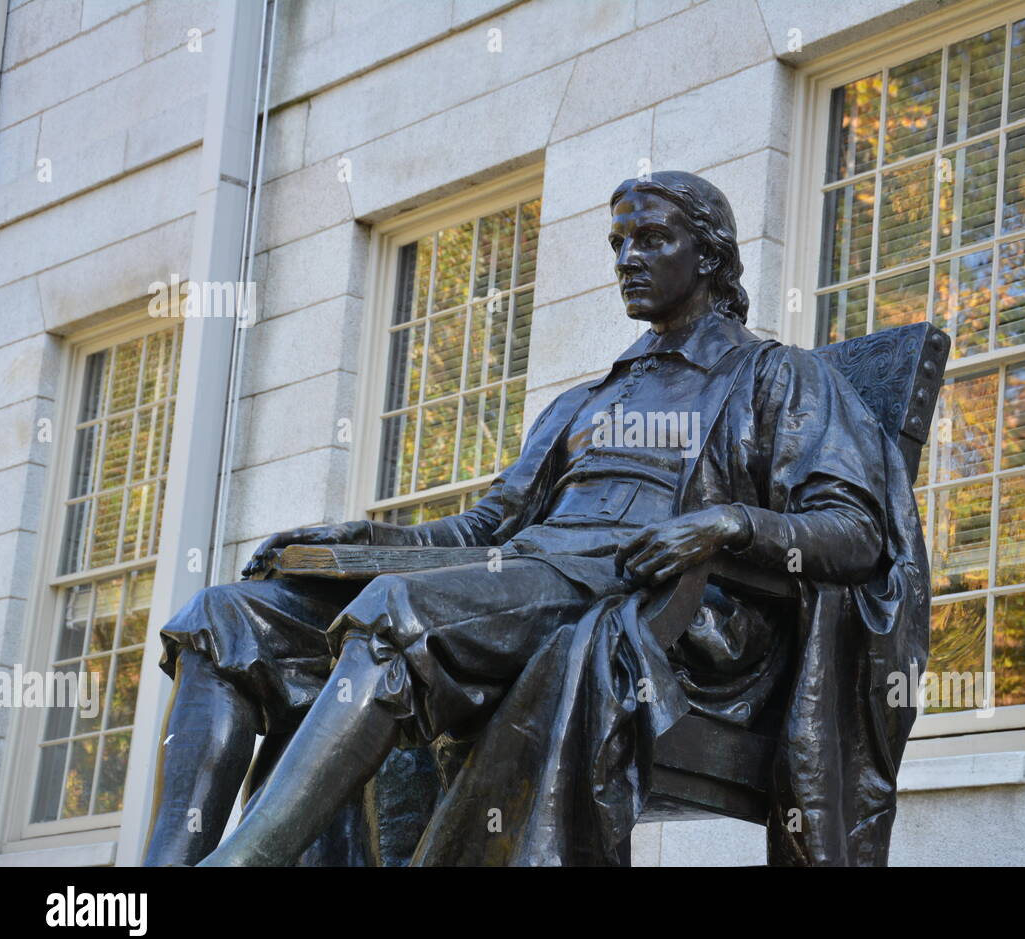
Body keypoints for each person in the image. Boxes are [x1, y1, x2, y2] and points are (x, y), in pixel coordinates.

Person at [147, 171, 929, 867]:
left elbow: (857, 535)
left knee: (396, 613)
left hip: (658, 613)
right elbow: (484, 529)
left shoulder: (775, 376)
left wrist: (726, 525)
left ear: (712, 258)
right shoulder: (585, 402)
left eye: (653, 239)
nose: (627, 258)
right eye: (619, 242)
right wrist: (369, 538)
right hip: (522, 583)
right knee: (226, 618)